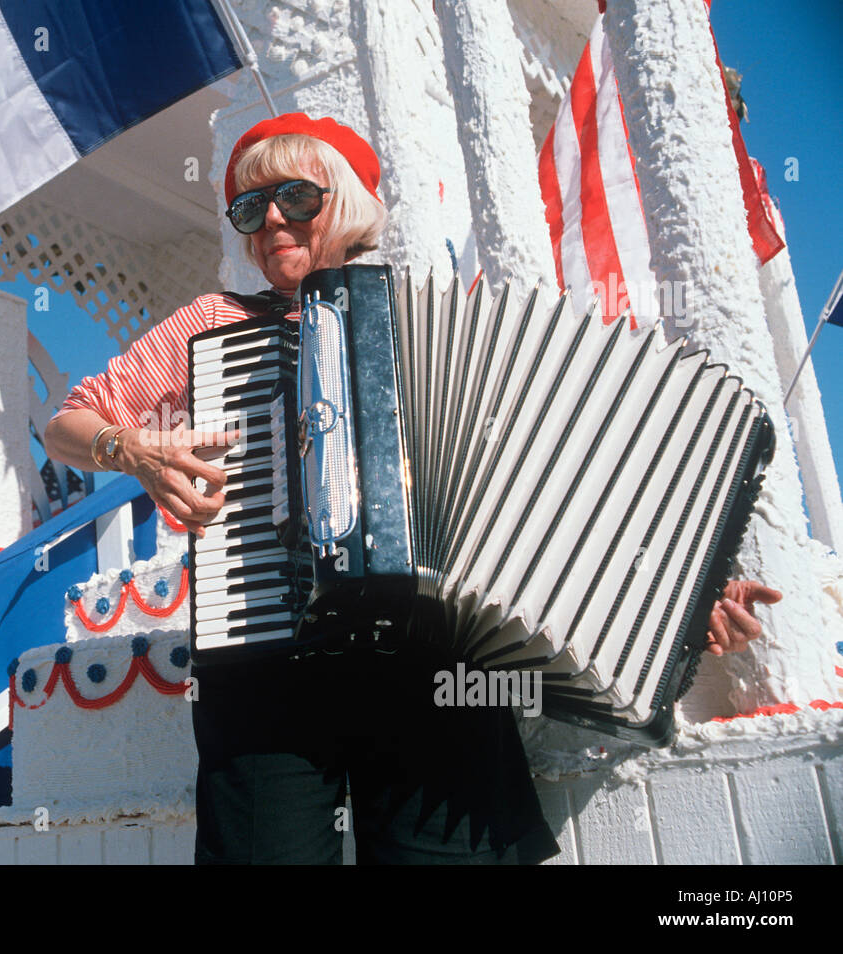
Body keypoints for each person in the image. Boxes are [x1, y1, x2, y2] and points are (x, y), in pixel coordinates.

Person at [44, 112, 779, 864]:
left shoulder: (452, 322)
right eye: (247, 209)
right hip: (267, 663)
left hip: (435, 661)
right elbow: (66, 422)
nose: (269, 221)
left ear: (350, 202)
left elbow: (561, 492)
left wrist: (678, 598)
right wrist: (130, 447)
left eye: (295, 197)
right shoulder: (212, 325)